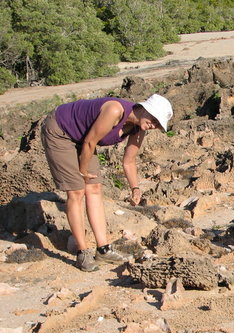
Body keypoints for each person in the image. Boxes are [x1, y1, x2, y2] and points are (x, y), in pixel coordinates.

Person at [41, 94, 173, 272]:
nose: (153, 125)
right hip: (60, 130)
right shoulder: (115, 110)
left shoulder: (138, 128)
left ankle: (103, 249)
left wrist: (135, 188)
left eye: (157, 124)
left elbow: (129, 161)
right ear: (144, 108)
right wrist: (83, 171)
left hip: (84, 138)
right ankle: (83, 253)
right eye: (153, 119)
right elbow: (89, 143)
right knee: (77, 191)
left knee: (94, 187)